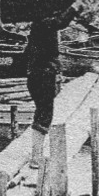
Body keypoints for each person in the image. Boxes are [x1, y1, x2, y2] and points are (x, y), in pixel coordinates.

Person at [21, 13, 62, 167]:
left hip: (34, 76)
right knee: (44, 114)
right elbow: (61, 22)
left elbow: (26, 55)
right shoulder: (47, 24)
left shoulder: (36, 28)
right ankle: (36, 157)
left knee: (41, 112)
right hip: (43, 76)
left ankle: (36, 154)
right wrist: (74, 8)